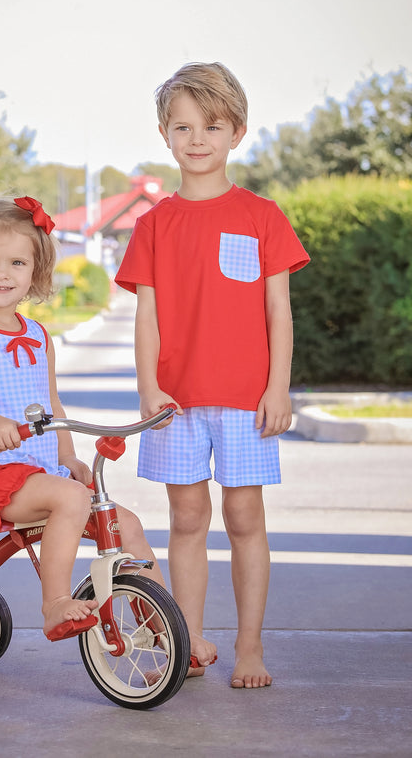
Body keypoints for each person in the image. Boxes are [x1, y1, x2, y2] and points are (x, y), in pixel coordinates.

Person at [115, 62, 310, 688]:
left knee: (246, 519)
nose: (197, 139)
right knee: (187, 519)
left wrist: (278, 386)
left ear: (237, 133)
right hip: (176, 402)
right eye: (183, 127)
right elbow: (147, 317)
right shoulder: (152, 224)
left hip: (247, 401)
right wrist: (149, 387)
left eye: (212, 126)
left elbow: (278, 310)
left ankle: (249, 647)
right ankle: (189, 641)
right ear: (166, 136)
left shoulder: (262, 216)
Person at [0, 195, 167, 643]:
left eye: (16, 263)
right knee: (71, 499)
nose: (1, 273)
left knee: (126, 523)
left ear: (34, 274)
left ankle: (166, 627)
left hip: (42, 473)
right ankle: (55, 603)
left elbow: (52, 403)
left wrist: (69, 456)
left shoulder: (40, 335)